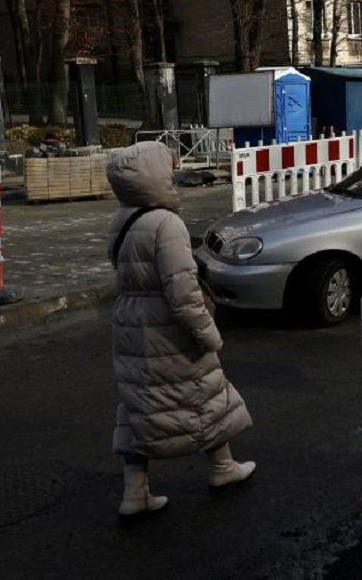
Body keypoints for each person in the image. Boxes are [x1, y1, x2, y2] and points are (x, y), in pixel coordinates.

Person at [105, 141, 255, 517]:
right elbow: (183, 292)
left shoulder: (121, 220)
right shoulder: (166, 223)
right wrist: (208, 334)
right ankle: (223, 468)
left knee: (141, 406)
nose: (174, 179)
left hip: (131, 324)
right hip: (168, 330)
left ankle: (135, 492)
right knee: (202, 396)